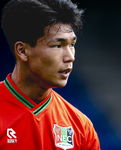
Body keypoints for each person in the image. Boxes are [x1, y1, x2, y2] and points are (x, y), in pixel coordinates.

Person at [0, 0, 100, 149]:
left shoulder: (81, 127)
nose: (70, 57)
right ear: (22, 51)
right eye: (57, 45)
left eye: (72, 44)